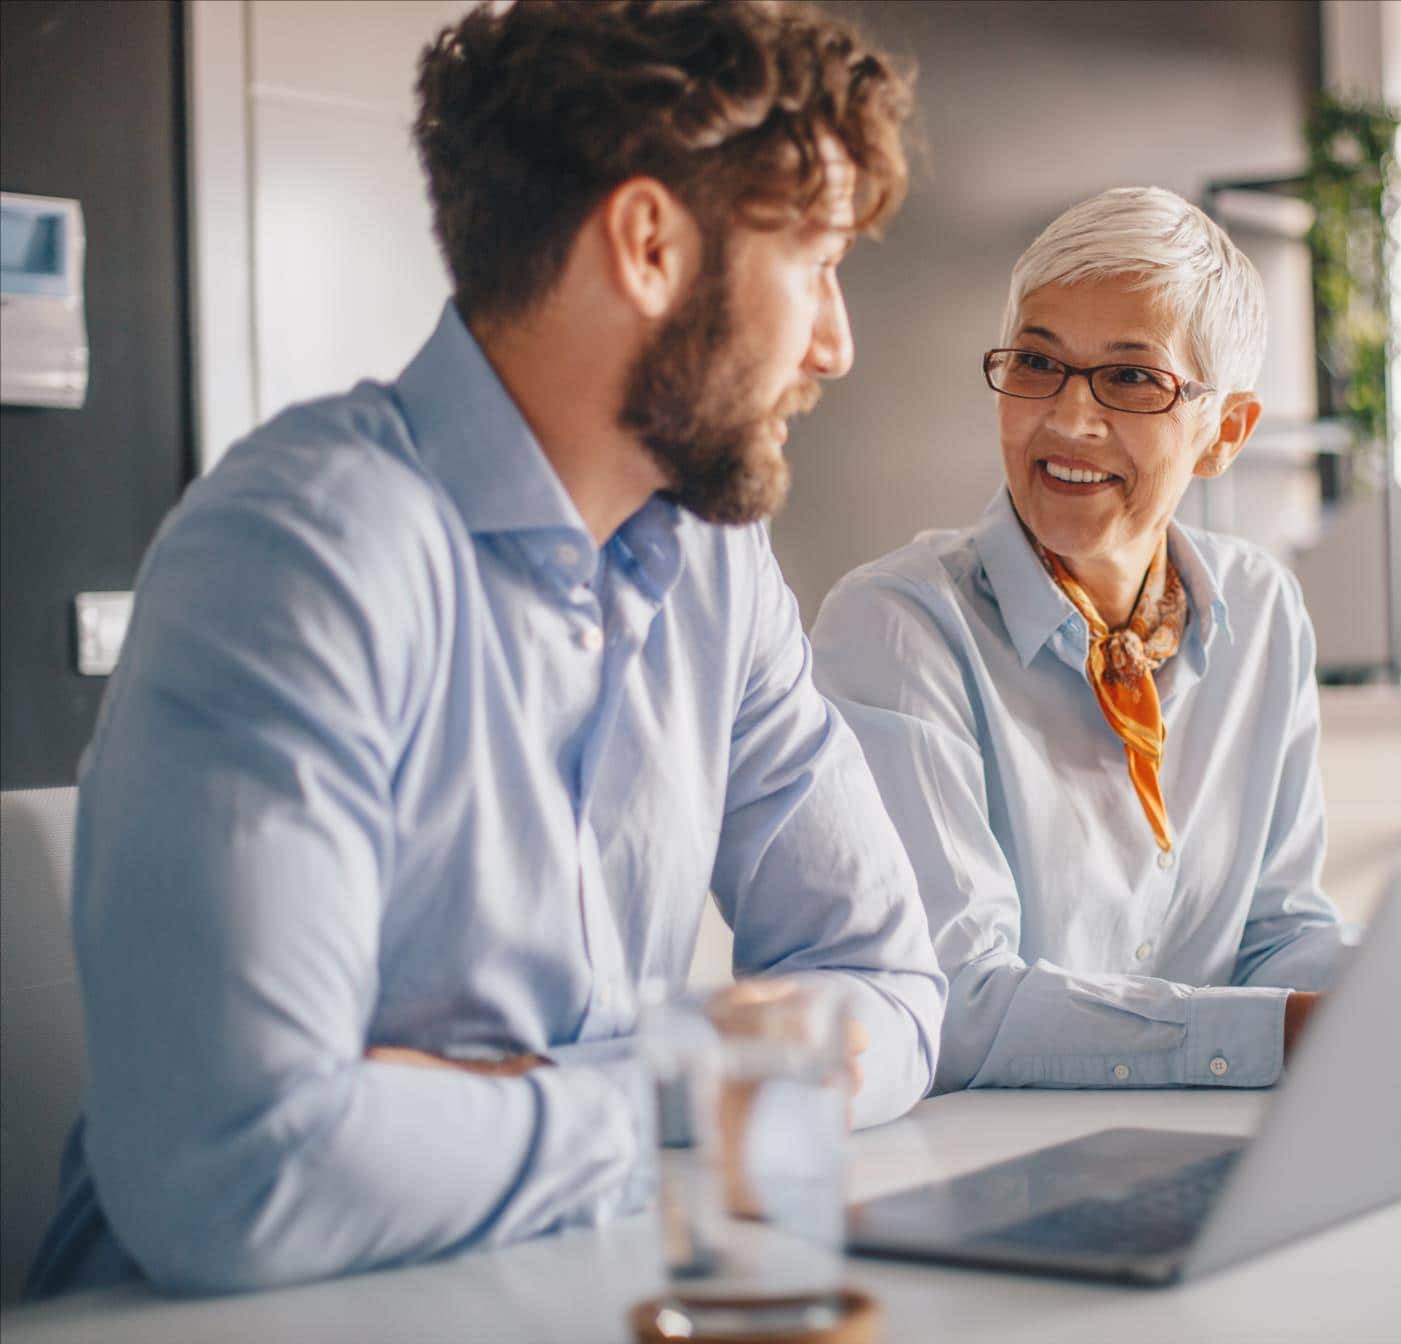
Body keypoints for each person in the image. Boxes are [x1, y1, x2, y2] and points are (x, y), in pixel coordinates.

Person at [28, 0, 943, 1298]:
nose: (836, 344)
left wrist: (537, 1094)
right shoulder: (300, 554)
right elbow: (241, 1175)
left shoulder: (716, 565)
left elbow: (894, 988)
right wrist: (681, 1082)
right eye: (817, 265)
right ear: (646, 244)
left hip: (565, 1286)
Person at [809, 187, 1401, 1093]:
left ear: (1223, 433)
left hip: (1206, 1139)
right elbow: (956, 1006)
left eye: (1130, 378)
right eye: (1037, 362)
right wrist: (1328, 1032)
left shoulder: (1260, 607)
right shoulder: (900, 629)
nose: (1069, 419)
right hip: (976, 1176)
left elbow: (1276, 940)